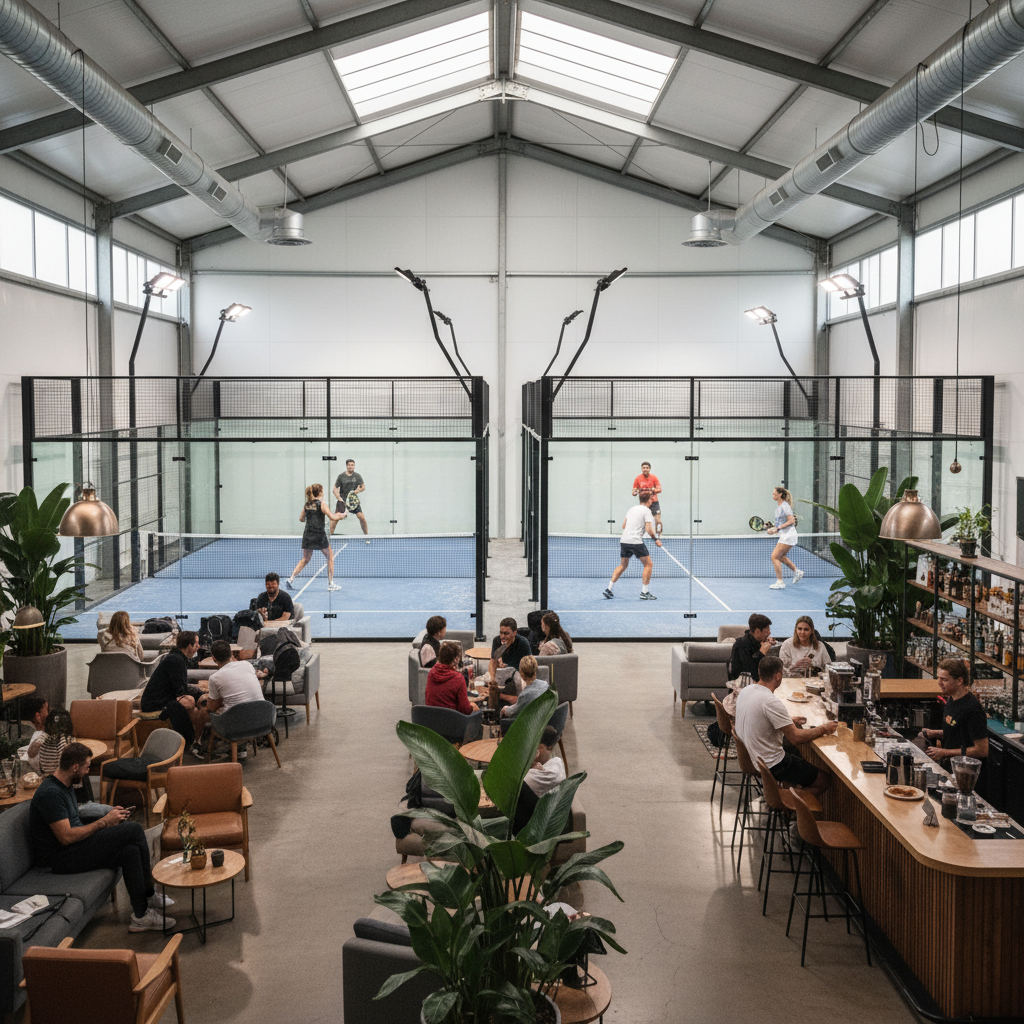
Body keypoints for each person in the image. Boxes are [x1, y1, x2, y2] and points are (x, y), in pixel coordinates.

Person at [29, 743, 175, 933]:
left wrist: (109, 812)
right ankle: (149, 893)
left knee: (129, 852)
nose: (88, 772)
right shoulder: (51, 794)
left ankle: (141, 916)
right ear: (75, 767)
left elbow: (76, 817)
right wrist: (104, 822)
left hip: (74, 847)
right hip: (60, 858)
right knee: (134, 830)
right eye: (87, 767)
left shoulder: (65, 785)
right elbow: (65, 837)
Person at [734, 655, 837, 796]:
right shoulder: (771, 702)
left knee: (796, 754)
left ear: (760, 672)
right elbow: (796, 737)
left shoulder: (747, 690)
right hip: (772, 764)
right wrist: (824, 728)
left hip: (753, 757)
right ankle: (788, 806)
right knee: (824, 780)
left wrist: (787, 720)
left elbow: (760, 718)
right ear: (778, 676)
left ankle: (787, 792)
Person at [141, 631, 208, 753]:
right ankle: (194, 739)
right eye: (196, 644)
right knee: (190, 702)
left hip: (164, 697)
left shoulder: (177, 657)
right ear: (189, 646)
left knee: (193, 706)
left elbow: (180, 686)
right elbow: (180, 690)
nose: (198, 647)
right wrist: (199, 694)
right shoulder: (176, 660)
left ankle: (196, 740)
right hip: (155, 702)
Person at [920, 658, 989, 766]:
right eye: (938, 678)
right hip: (951, 767)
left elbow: (982, 750)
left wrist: (944, 752)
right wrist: (934, 733)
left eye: (944, 679)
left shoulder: (972, 709)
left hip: (966, 773)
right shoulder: (952, 699)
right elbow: (958, 731)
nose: (939, 683)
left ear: (959, 681)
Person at [603, 490, 663, 601]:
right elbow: (649, 529)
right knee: (648, 564)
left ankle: (609, 589)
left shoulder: (631, 509)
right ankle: (644, 592)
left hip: (624, 540)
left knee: (623, 565)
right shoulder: (647, 511)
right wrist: (656, 539)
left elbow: (623, 525)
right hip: (636, 542)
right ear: (649, 500)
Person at [285, 484, 345, 592]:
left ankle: (291, 579)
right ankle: (331, 584)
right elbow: (332, 517)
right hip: (319, 535)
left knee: (305, 559)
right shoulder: (322, 505)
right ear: (320, 492)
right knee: (330, 557)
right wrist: (342, 515)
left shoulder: (307, 505)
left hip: (308, 534)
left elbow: (301, 519)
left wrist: (311, 519)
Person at [207, 639, 265, 714]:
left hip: (237, 721)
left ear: (214, 658)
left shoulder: (214, 678)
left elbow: (211, 707)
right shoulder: (247, 665)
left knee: (206, 712)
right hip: (263, 716)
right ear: (231, 654)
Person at [765, 485, 802, 590]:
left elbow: (791, 520)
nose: (773, 495)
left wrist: (778, 528)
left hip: (789, 536)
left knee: (774, 556)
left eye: (774, 493)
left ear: (780, 494)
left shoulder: (785, 506)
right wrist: (772, 529)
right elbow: (780, 526)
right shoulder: (779, 508)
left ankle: (780, 582)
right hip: (785, 535)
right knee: (780, 557)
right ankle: (797, 571)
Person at [425, 641, 477, 714]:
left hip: (430, 719)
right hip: (451, 720)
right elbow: (465, 710)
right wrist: (472, 706)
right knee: (477, 709)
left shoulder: (431, 673)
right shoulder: (458, 678)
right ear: (456, 659)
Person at [330, 459, 370, 542]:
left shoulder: (357, 476)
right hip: (343, 501)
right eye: (349, 465)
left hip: (353, 501)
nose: (350, 466)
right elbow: (334, 489)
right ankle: (328, 538)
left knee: (362, 517)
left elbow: (363, 487)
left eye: (352, 465)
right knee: (335, 519)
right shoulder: (341, 476)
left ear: (354, 466)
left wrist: (356, 492)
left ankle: (367, 536)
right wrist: (339, 499)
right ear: (346, 466)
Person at [729, 613, 773, 681]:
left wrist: (772, 648)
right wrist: (761, 653)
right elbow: (750, 671)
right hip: (742, 685)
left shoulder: (761, 642)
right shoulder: (741, 644)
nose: (769, 633)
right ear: (757, 631)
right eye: (766, 630)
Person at [524, 725, 566, 796]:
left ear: (541, 747)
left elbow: (517, 785)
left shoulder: (532, 777)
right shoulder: (558, 762)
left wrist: (531, 769)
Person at [489, 618, 532, 682]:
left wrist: (508, 668)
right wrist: (492, 679)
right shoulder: (497, 641)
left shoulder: (523, 643)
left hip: (519, 674)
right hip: (502, 673)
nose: (502, 636)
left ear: (514, 633)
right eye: (501, 632)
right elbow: (493, 661)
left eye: (506, 633)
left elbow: (528, 668)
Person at [17, 695, 49, 773]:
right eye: (47, 710)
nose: (50, 713)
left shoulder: (40, 735)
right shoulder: (40, 738)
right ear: (38, 716)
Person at [632, 462, 663, 537]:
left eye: (647, 468)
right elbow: (633, 492)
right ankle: (641, 533)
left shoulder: (654, 478)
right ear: (642, 469)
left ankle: (659, 533)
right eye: (644, 468)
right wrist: (636, 491)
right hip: (644, 503)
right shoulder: (638, 478)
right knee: (642, 519)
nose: (645, 469)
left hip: (653, 501)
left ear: (649, 469)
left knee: (657, 519)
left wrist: (652, 490)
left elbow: (659, 489)